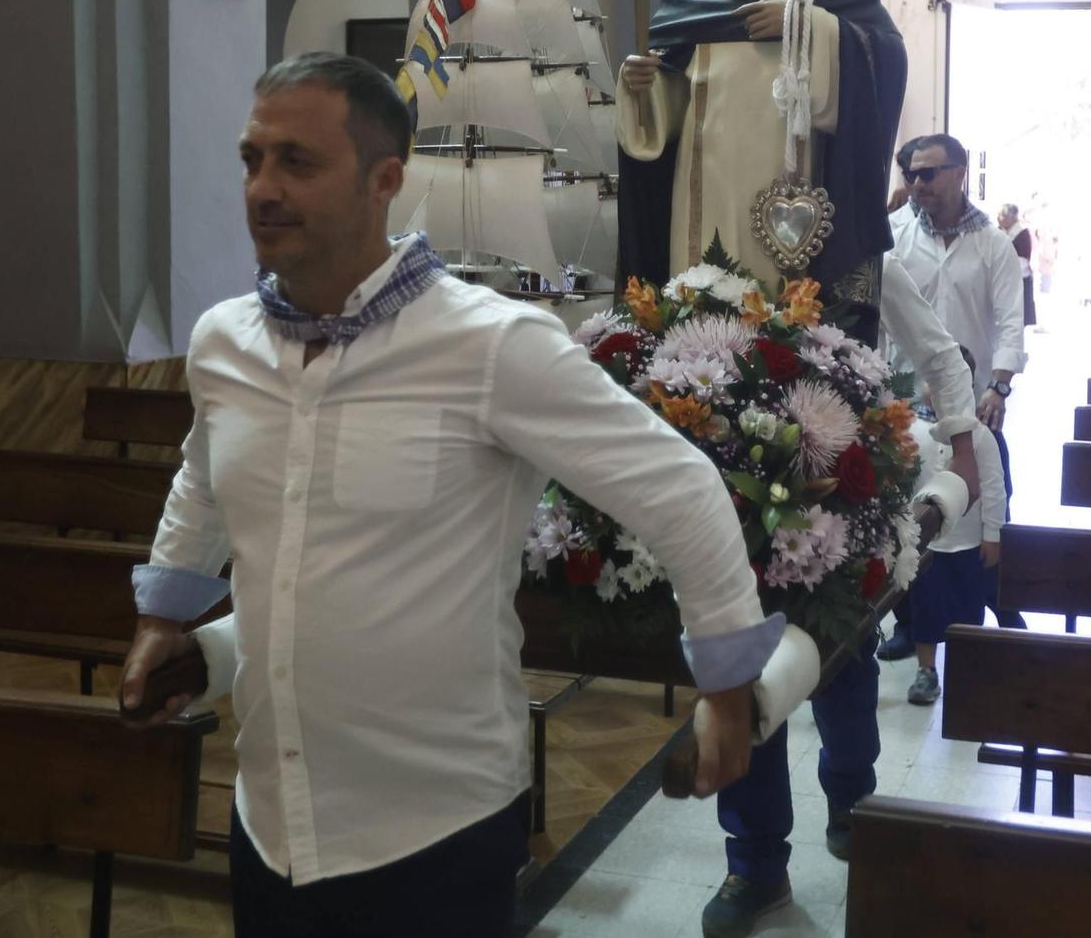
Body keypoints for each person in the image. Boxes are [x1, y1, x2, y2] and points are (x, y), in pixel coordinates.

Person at [118, 54, 776, 938]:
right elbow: (202, 480)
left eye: (297, 162)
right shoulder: (221, 344)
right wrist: (163, 616)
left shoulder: (492, 346)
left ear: (384, 180)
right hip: (271, 819)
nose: (263, 188)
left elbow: (680, 488)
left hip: (438, 832)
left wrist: (726, 691)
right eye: (252, 159)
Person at [703, 252, 979, 938]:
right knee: (748, 671)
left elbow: (941, 355)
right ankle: (755, 862)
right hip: (741, 485)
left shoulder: (868, 258)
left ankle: (852, 798)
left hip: (847, 491)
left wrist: (963, 443)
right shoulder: (723, 247)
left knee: (843, 667)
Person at [616, 0, 907, 324]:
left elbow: (885, 52)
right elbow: (674, 82)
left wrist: (804, 22)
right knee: (701, 289)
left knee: (778, 297)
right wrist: (645, 86)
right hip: (704, 164)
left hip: (785, 163)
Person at [886, 132, 1027, 637]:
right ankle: (908, 622)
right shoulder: (895, 234)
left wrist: (999, 387)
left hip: (974, 399)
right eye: (912, 174)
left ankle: (997, 602)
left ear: (960, 173)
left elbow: (1010, 323)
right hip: (907, 397)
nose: (918, 183)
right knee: (907, 509)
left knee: (989, 498)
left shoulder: (993, 244)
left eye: (928, 173)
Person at [904, 347, 1006, 707]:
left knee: (968, 608)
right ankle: (926, 670)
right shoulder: (912, 430)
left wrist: (992, 535)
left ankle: (967, 668)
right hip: (927, 545)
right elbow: (905, 487)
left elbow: (993, 488)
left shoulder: (980, 437)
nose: (937, 393)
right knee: (925, 608)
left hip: (968, 543)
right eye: (932, 384)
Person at [996, 202, 1036, 331]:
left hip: (1019, 283)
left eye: (1002, 216)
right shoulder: (998, 232)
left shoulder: (1022, 234)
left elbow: (1023, 262)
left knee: (1017, 322)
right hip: (1002, 284)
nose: (999, 219)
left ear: (1012, 217)